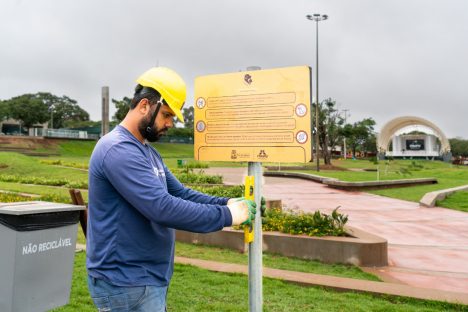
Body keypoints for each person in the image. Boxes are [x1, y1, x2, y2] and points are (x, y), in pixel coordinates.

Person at [86, 67, 256, 312]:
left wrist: (227, 202)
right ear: (145, 105)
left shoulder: (146, 151)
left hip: (144, 278)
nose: (169, 124)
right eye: (166, 115)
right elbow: (162, 208)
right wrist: (230, 216)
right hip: (125, 281)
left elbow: (180, 194)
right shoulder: (118, 150)